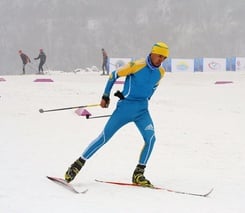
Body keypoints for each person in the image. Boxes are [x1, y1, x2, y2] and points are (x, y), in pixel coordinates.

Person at [65, 42, 169, 187]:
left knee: (151, 139)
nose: (161, 60)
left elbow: (154, 87)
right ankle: (77, 164)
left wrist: (147, 99)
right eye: (159, 56)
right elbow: (113, 75)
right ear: (152, 53)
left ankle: (138, 174)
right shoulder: (136, 65)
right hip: (124, 110)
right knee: (104, 138)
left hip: (142, 111)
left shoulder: (161, 72)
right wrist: (105, 96)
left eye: (164, 58)